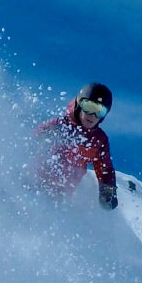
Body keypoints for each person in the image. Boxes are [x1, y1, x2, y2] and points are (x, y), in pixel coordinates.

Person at [34, 82, 118, 210]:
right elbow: (28, 146)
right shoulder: (57, 126)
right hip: (35, 185)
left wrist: (107, 194)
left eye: (99, 111)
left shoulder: (98, 140)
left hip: (60, 197)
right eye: (89, 107)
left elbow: (105, 169)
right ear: (79, 104)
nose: (92, 115)